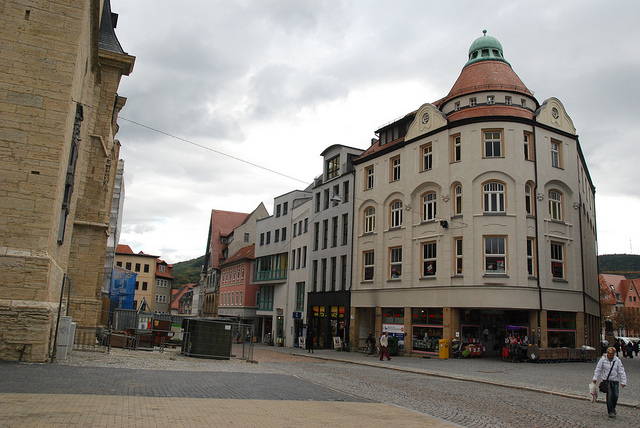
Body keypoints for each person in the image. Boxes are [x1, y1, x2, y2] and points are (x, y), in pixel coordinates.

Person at [592, 346, 627, 418]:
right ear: (607, 353)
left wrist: (624, 381)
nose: (611, 356)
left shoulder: (617, 360)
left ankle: (613, 408)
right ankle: (610, 411)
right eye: (610, 355)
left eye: (612, 355)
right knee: (609, 395)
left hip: (615, 380)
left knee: (616, 395)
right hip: (607, 380)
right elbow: (598, 369)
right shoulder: (603, 360)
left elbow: (621, 371)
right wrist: (595, 378)